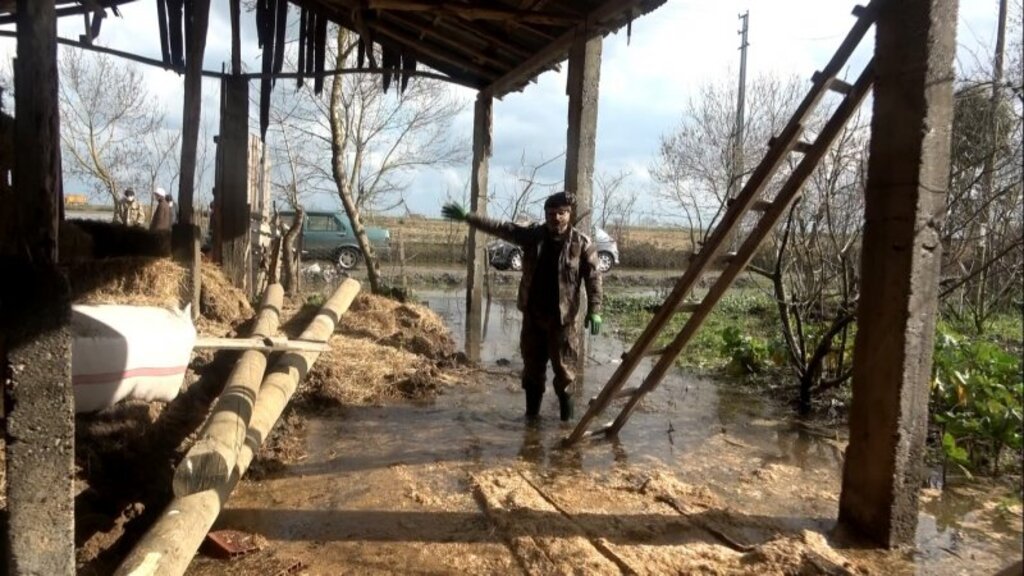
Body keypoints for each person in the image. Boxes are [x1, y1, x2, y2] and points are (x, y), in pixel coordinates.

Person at [442, 191, 603, 422]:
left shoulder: (582, 244)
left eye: (561, 213)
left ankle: (566, 426)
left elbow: (594, 278)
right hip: (533, 318)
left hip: (563, 321)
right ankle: (531, 422)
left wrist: (595, 310)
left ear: (569, 214)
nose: (556, 218)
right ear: (545, 215)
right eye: (551, 213)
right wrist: (469, 217)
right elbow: (501, 228)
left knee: (565, 375)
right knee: (532, 373)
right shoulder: (533, 236)